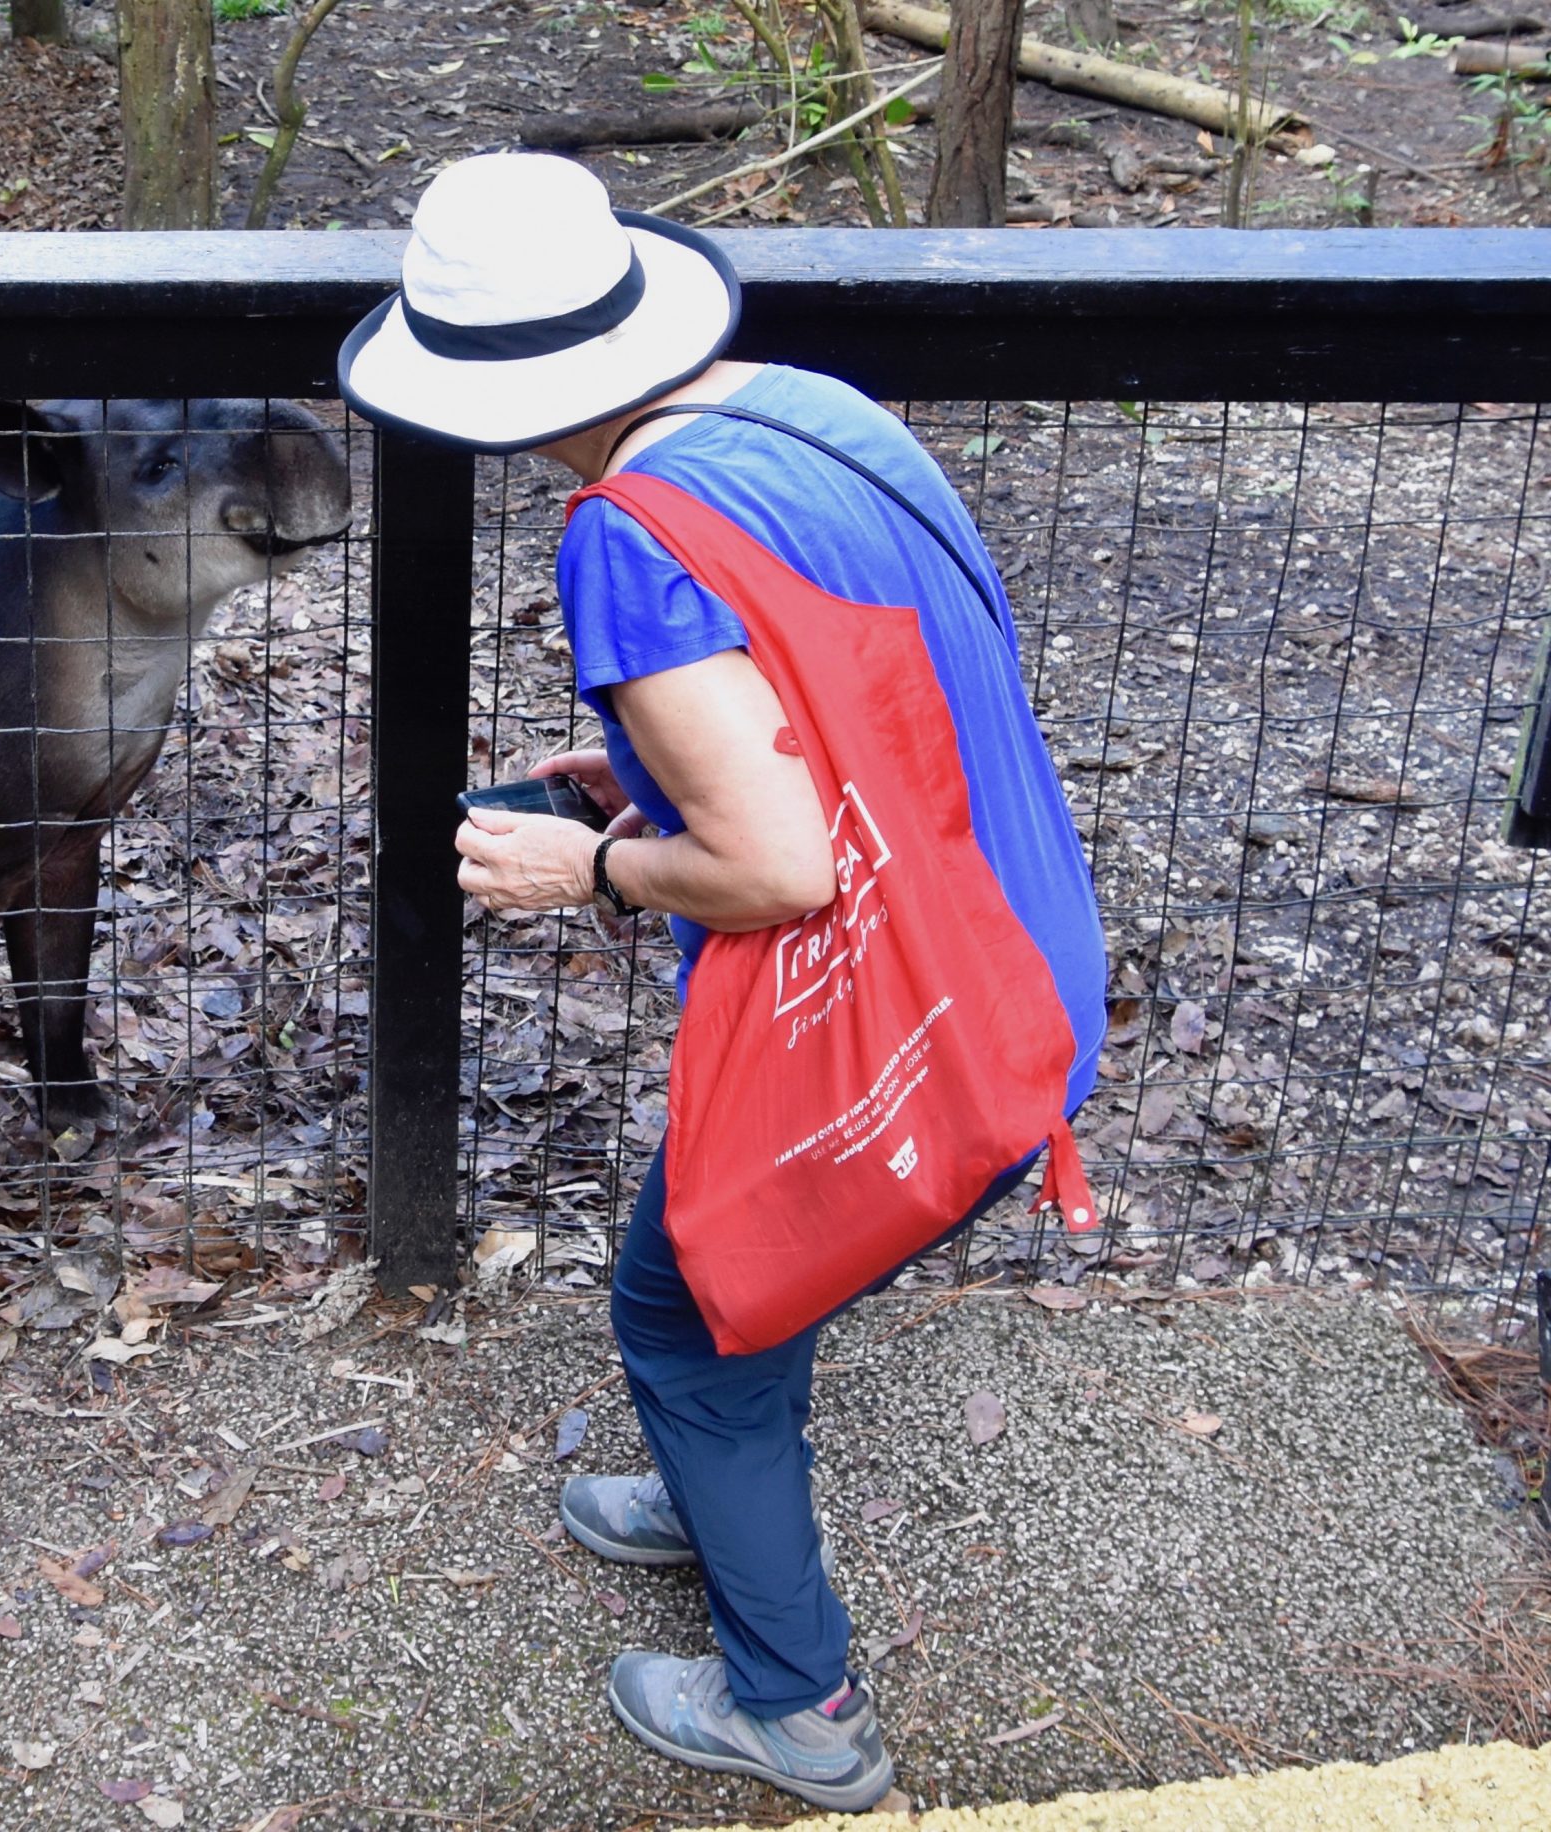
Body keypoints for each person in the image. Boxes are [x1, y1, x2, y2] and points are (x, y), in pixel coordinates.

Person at [338, 153, 1107, 1815]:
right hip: (1018, 943)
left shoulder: (628, 535)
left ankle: (798, 1707)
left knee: (683, 1316)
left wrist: (590, 862)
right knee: (740, 1313)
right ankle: (715, 1488)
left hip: (898, 1022)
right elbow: (856, 693)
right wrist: (657, 783)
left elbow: (784, 873)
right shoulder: (808, 411)